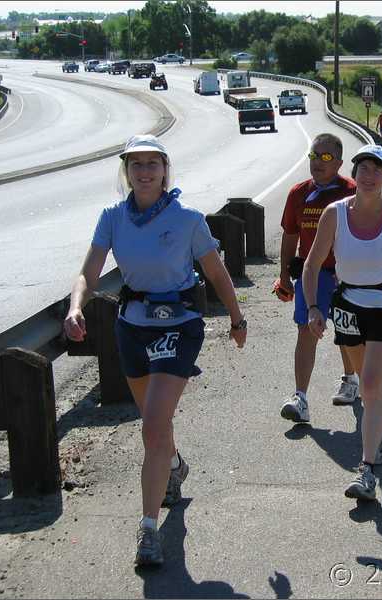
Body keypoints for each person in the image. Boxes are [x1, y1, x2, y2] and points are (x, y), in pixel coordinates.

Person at [63, 134, 247, 567]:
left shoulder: (187, 218)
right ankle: (175, 465)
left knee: (151, 425)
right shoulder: (112, 217)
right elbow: (89, 272)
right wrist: (75, 308)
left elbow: (218, 274)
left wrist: (237, 320)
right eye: (136, 164)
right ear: (126, 171)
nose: (144, 172)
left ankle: (148, 532)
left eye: (152, 163)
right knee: (157, 428)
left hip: (179, 326)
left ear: (166, 169)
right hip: (132, 326)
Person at [302, 144, 382, 501]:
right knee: (365, 383)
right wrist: (314, 307)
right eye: (363, 169)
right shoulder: (334, 214)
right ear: (354, 175)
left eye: (377, 170)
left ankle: (367, 471)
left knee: (370, 386)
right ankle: (380, 432)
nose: (369, 176)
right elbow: (312, 265)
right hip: (349, 304)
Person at [278, 133, 359, 423]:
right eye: (314, 156)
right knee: (306, 331)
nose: (318, 162)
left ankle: (351, 379)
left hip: (345, 275)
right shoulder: (298, 193)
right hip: (311, 275)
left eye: (326, 158)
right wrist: (284, 275)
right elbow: (290, 236)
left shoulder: (351, 192)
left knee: (347, 332)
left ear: (338, 162)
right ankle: (300, 398)